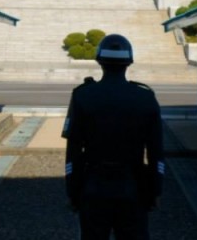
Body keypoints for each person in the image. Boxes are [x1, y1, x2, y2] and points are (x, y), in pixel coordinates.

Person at [62, 34, 165, 240]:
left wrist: (73, 191)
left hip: (93, 186)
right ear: (129, 62)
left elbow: (73, 151)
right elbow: (156, 152)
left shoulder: (82, 95)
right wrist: (154, 191)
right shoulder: (145, 97)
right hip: (133, 186)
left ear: (99, 60)